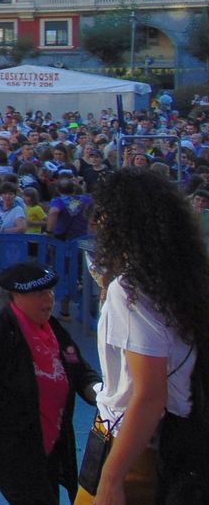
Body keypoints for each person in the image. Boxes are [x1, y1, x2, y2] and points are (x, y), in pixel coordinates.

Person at [75, 169, 209, 505]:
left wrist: (111, 478)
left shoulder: (130, 290)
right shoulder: (182, 277)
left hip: (132, 445)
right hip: (164, 440)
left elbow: (149, 394)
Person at [0, 262, 100, 504]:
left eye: (50, 292)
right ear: (16, 296)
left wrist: (99, 393)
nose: (49, 299)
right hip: (15, 447)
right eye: (40, 293)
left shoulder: (52, 327)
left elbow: (77, 367)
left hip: (49, 442)